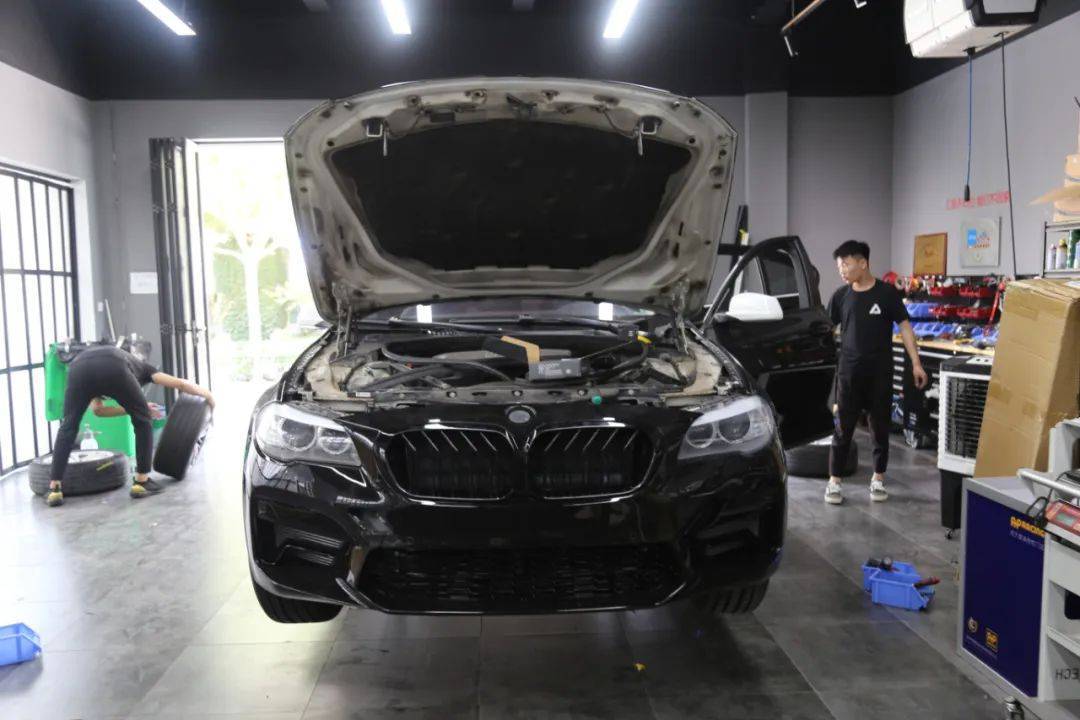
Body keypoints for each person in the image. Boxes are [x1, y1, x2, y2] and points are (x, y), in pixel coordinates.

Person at [45, 345, 215, 507]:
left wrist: (136, 408)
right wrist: (208, 396)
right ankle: (141, 481)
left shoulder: (104, 368)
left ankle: (54, 488)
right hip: (114, 366)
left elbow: (98, 410)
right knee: (142, 420)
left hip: (78, 369)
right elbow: (181, 384)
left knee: (68, 427)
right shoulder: (146, 370)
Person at [824, 240, 928, 506]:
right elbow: (825, 332)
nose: (841, 270)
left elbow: (905, 327)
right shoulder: (840, 296)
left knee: (879, 429)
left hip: (880, 374)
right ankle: (834, 481)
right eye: (839, 266)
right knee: (843, 428)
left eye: (845, 264)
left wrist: (916, 363)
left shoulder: (887, 294)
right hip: (849, 374)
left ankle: (878, 478)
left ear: (862, 263)